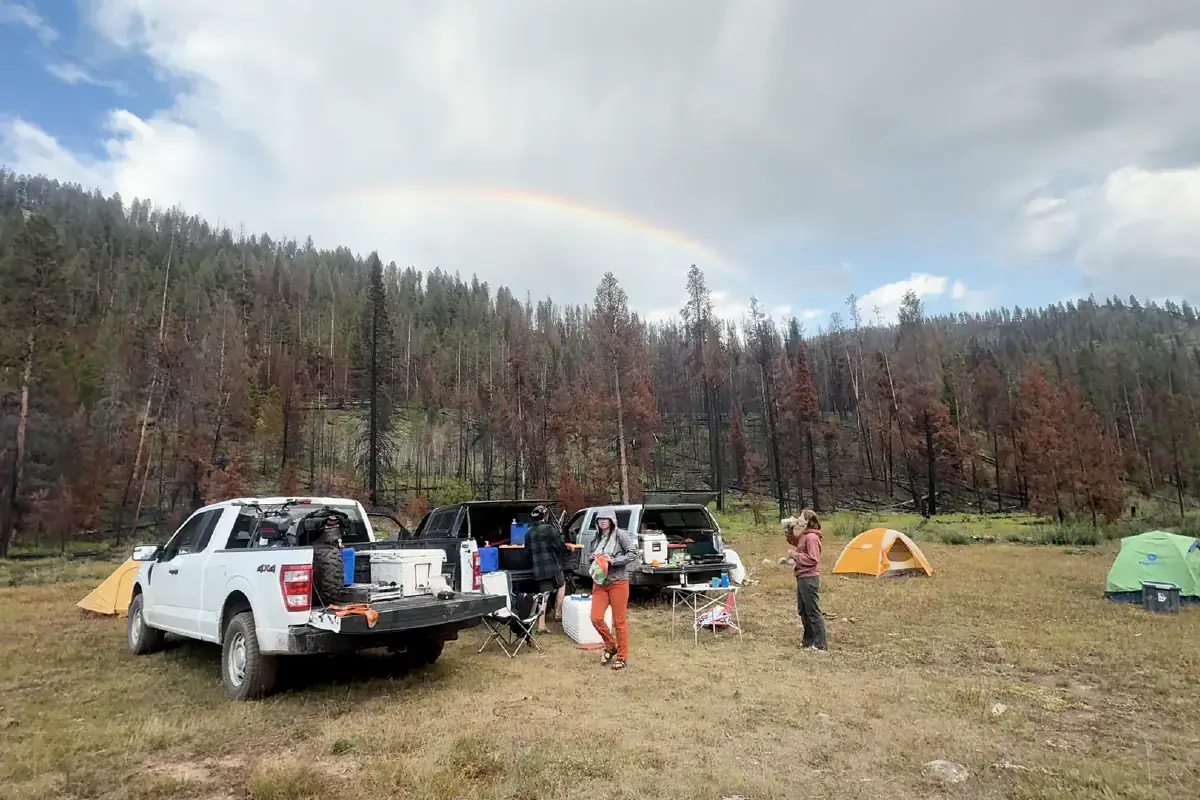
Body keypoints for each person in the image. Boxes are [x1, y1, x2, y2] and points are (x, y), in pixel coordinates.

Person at [586, 510, 635, 670]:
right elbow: (590, 557)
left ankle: (622, 657)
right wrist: (592, 557)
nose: (602, 522)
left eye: (605, 519)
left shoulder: (621, 535)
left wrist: (613, 560)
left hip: (618, 582)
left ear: (611, 520)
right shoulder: (596, 538)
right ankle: (610, 645)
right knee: (595, 617)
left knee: (619, 621)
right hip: (600, 582)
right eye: (599, 519)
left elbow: (633, 553)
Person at [786, 509, 827, 651]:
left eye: (801, 517)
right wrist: (789, 529)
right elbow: (794, 541)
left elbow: (813, 559)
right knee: (803, 610)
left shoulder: (811, 538)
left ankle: (820, 644)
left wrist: (794, 555)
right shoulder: (804, 535)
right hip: (802, 576)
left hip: (809, 577)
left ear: (808, 521)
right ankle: (808, 641)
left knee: (813, 611)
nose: (798, 518)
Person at [525, 504, 567, 633]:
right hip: (553, 566)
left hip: (538, 568)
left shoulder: (528, 532)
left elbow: (527, 552)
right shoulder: (549, 529)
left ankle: (541, 624)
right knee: (562, 585)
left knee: (544, 595)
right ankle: (558, 613)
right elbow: (560, 545)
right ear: (546, 516)